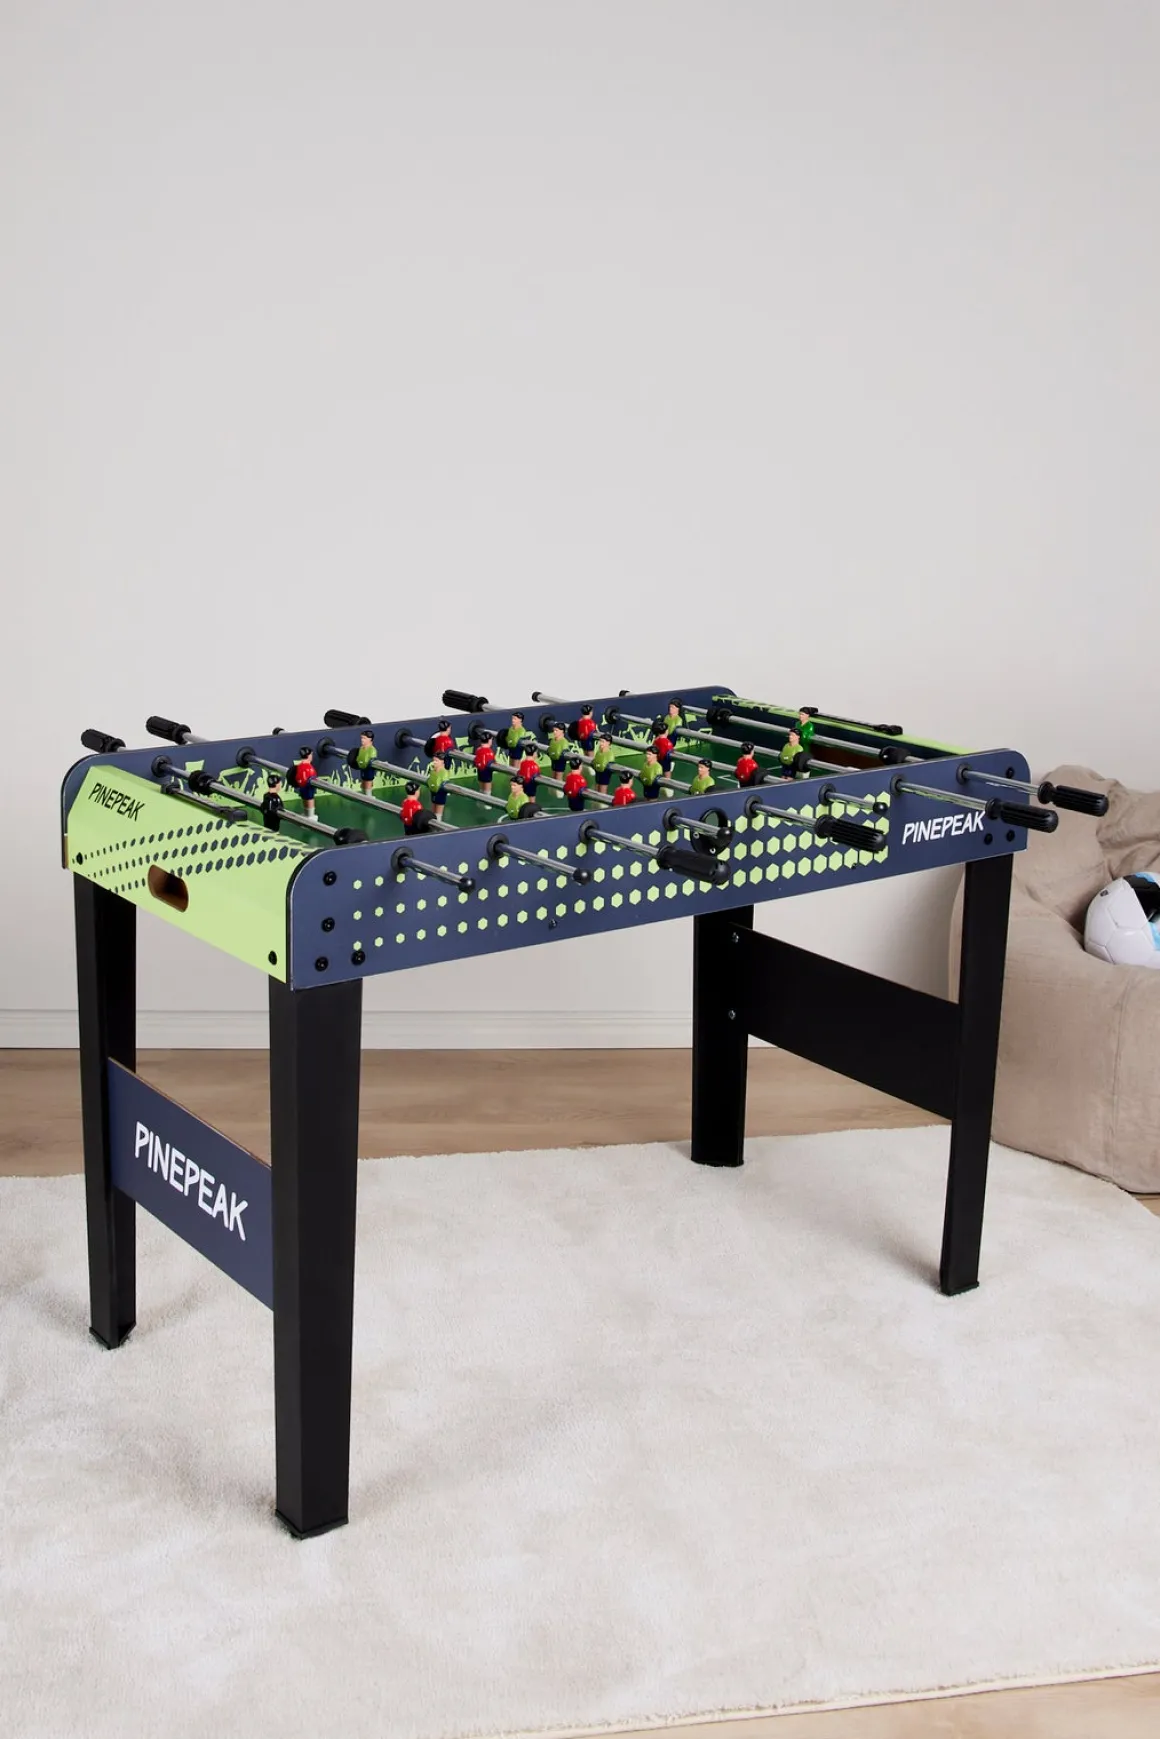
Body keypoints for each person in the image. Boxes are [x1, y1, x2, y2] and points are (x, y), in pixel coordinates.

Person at [291, 746, 319, 817]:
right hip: (308, 787)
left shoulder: (299, 766)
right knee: (309, 798)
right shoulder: (309, 768)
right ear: (309, 755)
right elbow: (313, 777)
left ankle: (307, 814)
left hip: (302, 787)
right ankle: (310, 815)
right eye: (311, 754)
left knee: (305, 798)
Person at [427, 752, 449, 821]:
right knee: (432, 812)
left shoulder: (444, 772)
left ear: (442, 761)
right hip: (433, 792)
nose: (434, 762)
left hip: (440, 793)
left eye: (436, 761)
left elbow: (444, 782)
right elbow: (430, 780)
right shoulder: (433, 771)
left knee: (438, 814)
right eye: (433, 760)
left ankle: (438, 824)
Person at [353, 730, 376, 795]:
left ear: (370, 739)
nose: (362, 740)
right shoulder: (361, 748)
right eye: (361, 738)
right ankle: (363, 796)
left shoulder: (372, 750)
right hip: (362, 768)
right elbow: (359, 757)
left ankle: (369, 797)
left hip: (368, 770)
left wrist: (364, 762)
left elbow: (371, 760)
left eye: (364, 738)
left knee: (368, 784)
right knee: (363, 784)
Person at [473, 730, 496, 794]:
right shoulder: (490, 752)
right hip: (487, 773)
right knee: (487, 791)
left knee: (481, 789)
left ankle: (481, 799)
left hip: (480, 772)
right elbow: (493, 763)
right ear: (489, 740)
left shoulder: (478, 749)